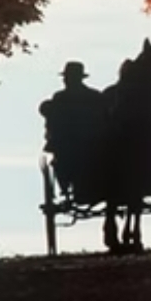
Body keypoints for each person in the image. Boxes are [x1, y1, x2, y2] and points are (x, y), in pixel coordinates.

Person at [39, 61, 105, 200]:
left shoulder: (64, 98)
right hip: (78, 144)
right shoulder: (92, 96)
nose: (65, 80)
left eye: (67, 77)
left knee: (63, 160)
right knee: (62, 160)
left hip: (83, 144)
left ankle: (72, 186)